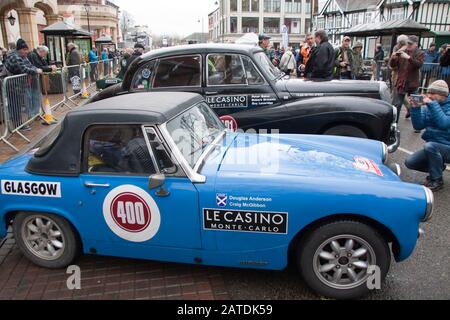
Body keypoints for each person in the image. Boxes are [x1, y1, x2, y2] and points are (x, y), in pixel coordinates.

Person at [405, 80, 450, 191]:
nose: (429, 96)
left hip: (446, 147)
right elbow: (418, 126)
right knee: (410, 162)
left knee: (430, 146)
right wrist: (415, 108)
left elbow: (444, 123)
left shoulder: (433, 105)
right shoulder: (430, 106)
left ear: (443, 95)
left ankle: (437, 180)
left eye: (433, 93)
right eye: (428, 93)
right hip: (434, 148)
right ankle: (437, 168)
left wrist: (432, 104)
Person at [3, 39, 43, 131]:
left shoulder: (23, 57)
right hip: (11, 86)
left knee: (17, 105)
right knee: (14, 105)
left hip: (18, 85)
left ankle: (19, 124)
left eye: (26, 49)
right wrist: (36, 70)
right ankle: (17, 125)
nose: (26, 52)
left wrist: (35, 69)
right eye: (24, 50)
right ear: (19, 49)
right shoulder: (14, 57)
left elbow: (29, 65)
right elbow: (23, 69)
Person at [389, 35, 424, 122]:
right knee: (396, 105)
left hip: (413, 83)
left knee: (416, 105)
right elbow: (393, 65)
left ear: (416, 44)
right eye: (407, 43)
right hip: (402, 82)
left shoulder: (420, 53)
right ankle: (394, 124)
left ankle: (418, 125)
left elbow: (419, 65)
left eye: (410, 43)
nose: (408, 45)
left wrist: (408, 58)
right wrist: (393, 59)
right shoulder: (402, 51)